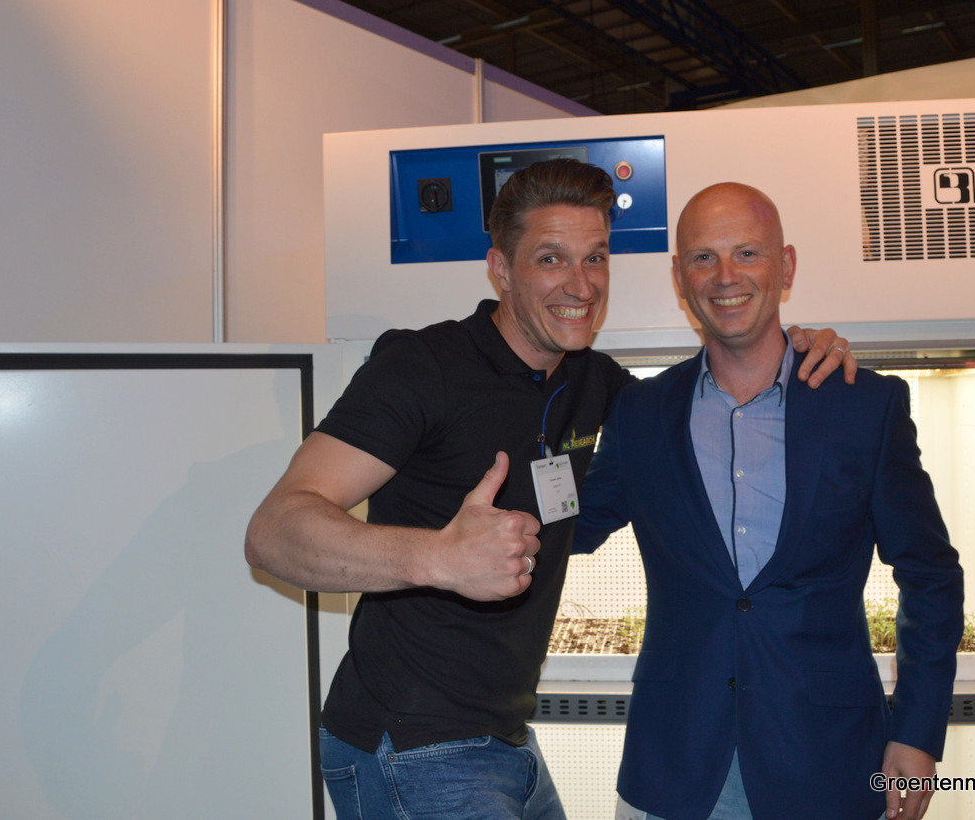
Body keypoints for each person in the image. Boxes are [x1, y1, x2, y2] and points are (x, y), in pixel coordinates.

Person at [244, 160, 855, 819]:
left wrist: (792, 347)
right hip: (413, 744)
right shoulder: (424, 367)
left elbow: (705, 407)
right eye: (551, 259)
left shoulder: (596, 384)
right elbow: (274, 530)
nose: (581, 284)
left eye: (595, 258)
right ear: (501, 270)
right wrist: (438, 556)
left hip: (508, 740)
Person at [575, 183, 964, 820]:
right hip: (675, 764)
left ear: (785, 266)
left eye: (747, 253)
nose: (725, 276)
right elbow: (567, 528)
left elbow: (930, 574)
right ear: (680, 277)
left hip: (828, 763)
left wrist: (917, 731)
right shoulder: (640, 412)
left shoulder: (864, 406)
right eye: (703, 257)